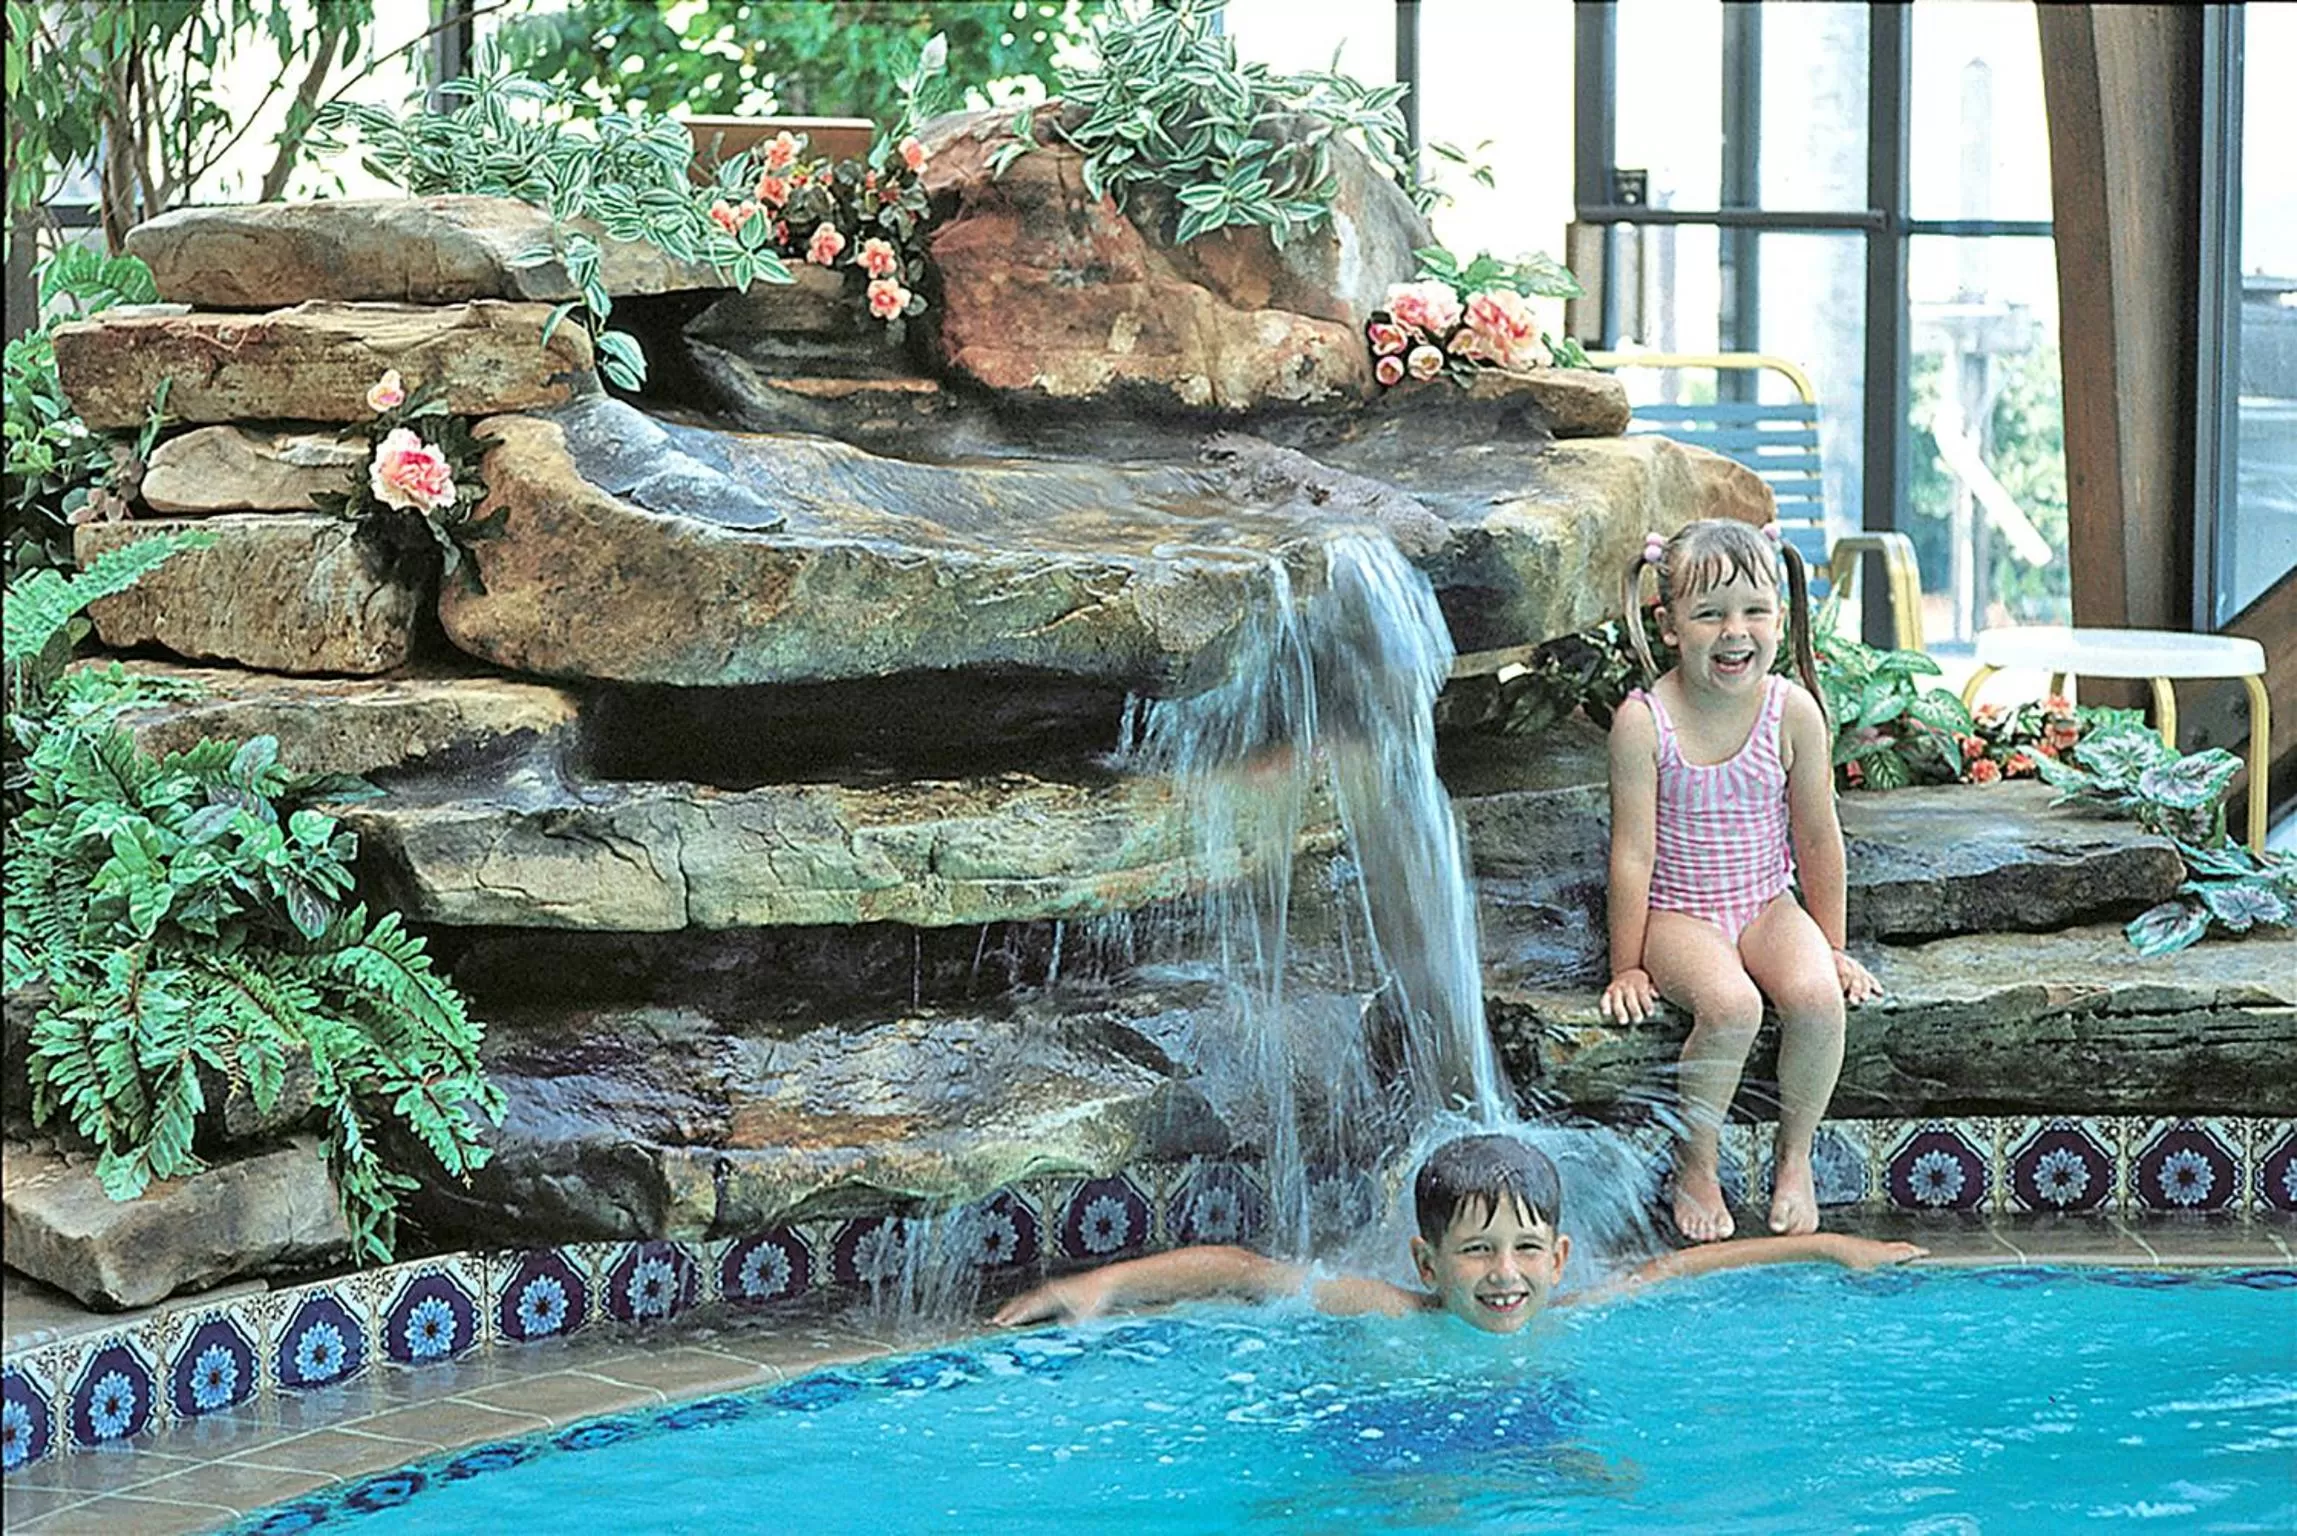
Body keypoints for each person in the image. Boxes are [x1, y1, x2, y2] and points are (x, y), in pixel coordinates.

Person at [1599, 519, 1881, 1246]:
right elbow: (1631, 854)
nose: (1735, 632)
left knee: (1817, 998)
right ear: (1668, 627)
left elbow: (1817, 838)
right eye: (1709, 614)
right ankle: (1696, 1162)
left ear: (1780, 619)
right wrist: (1626, 965)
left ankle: (1794, 1158)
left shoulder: (1791, 712)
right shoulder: (1644, 722)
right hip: (1678, 915)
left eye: (1754, 611)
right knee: (1729, 1005)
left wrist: (1832, 945)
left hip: (1762, 902)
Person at [991, 1135, 1923, 1332]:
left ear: (1558, 1258)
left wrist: (1838, 1248)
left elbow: (1687, 1266)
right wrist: (1099, 1286)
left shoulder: (1575, 1306)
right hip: (1400, 1432)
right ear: (1426, 1263)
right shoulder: (1388, 1310)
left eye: (1523, 1250)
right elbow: (1243, 1271)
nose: (1502, 1273)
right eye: (1475, 1252)